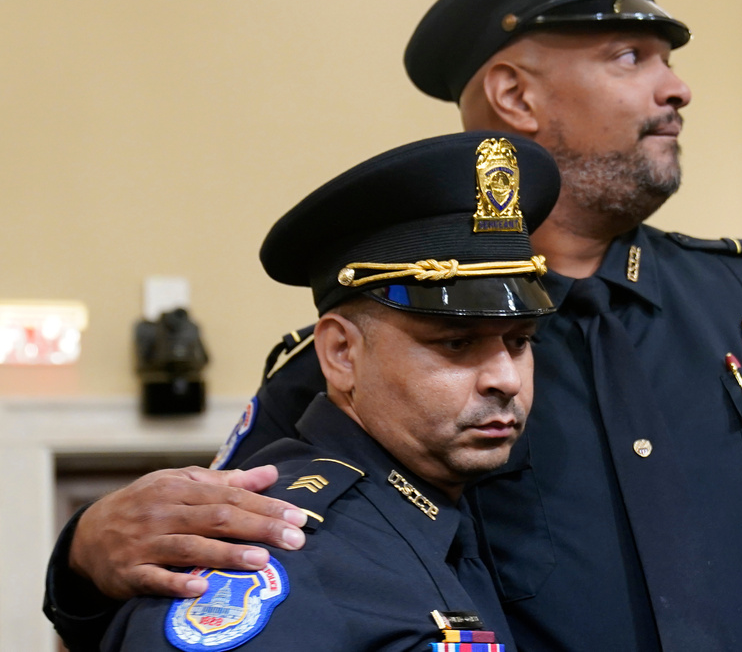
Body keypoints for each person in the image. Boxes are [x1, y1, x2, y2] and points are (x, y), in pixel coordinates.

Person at [46, 0, 742, 650]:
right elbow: (237, 573)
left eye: (665, 58)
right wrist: (87, 553)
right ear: (514, 92)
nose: (677, 86)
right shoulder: (364, 354)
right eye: (631, 55)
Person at [102, 130, 561, 651]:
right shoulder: (275, 552)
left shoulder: (428, 512)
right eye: (456, 343)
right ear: (342, 354)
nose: (504, 377)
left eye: (520, 341)